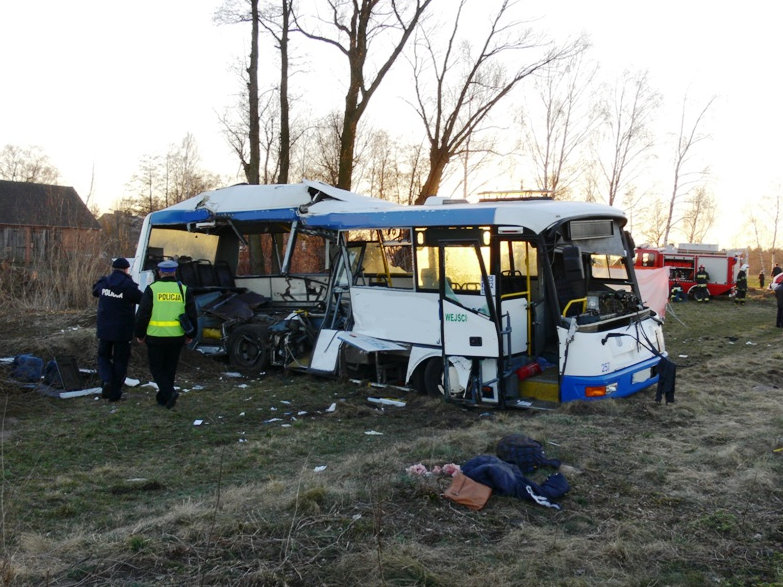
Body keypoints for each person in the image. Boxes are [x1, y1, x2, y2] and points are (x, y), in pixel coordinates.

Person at [134, 259, 197, 409]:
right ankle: (164, 398)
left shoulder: (152, 289)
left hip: (155, 336)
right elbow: (192, 314)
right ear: (174, 272)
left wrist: (139, 333)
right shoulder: (183, 289)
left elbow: (143, 314)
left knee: (156, 368)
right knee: (170, 368)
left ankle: (169, 393)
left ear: (160, 272)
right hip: (176, 337)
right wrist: (191, 334)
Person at [92, 257, 142, 402]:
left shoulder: (104, 282)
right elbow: (142, 299)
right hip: (122, 331)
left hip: (105, 329)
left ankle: (106, 380)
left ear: (113, 269)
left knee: (103, 356)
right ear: (127, 269)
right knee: (120, 361)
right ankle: (114, 393)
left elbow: (95, 291)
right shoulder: (129, 286)